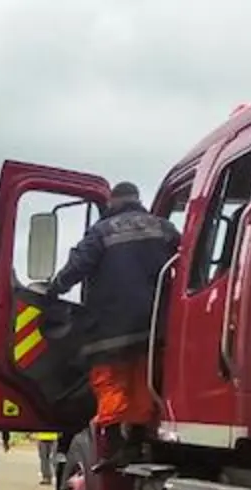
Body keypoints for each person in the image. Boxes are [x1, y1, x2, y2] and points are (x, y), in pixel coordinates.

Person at [45, 181, 180, 470]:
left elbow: (77, 267)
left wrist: (53, 289)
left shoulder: (101, 232)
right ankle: (135, 441)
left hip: (110, 330)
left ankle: (113, 445)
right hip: (153, 327)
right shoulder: (164, 228)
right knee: (142, 382)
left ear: (112, 203)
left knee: (110, 383)